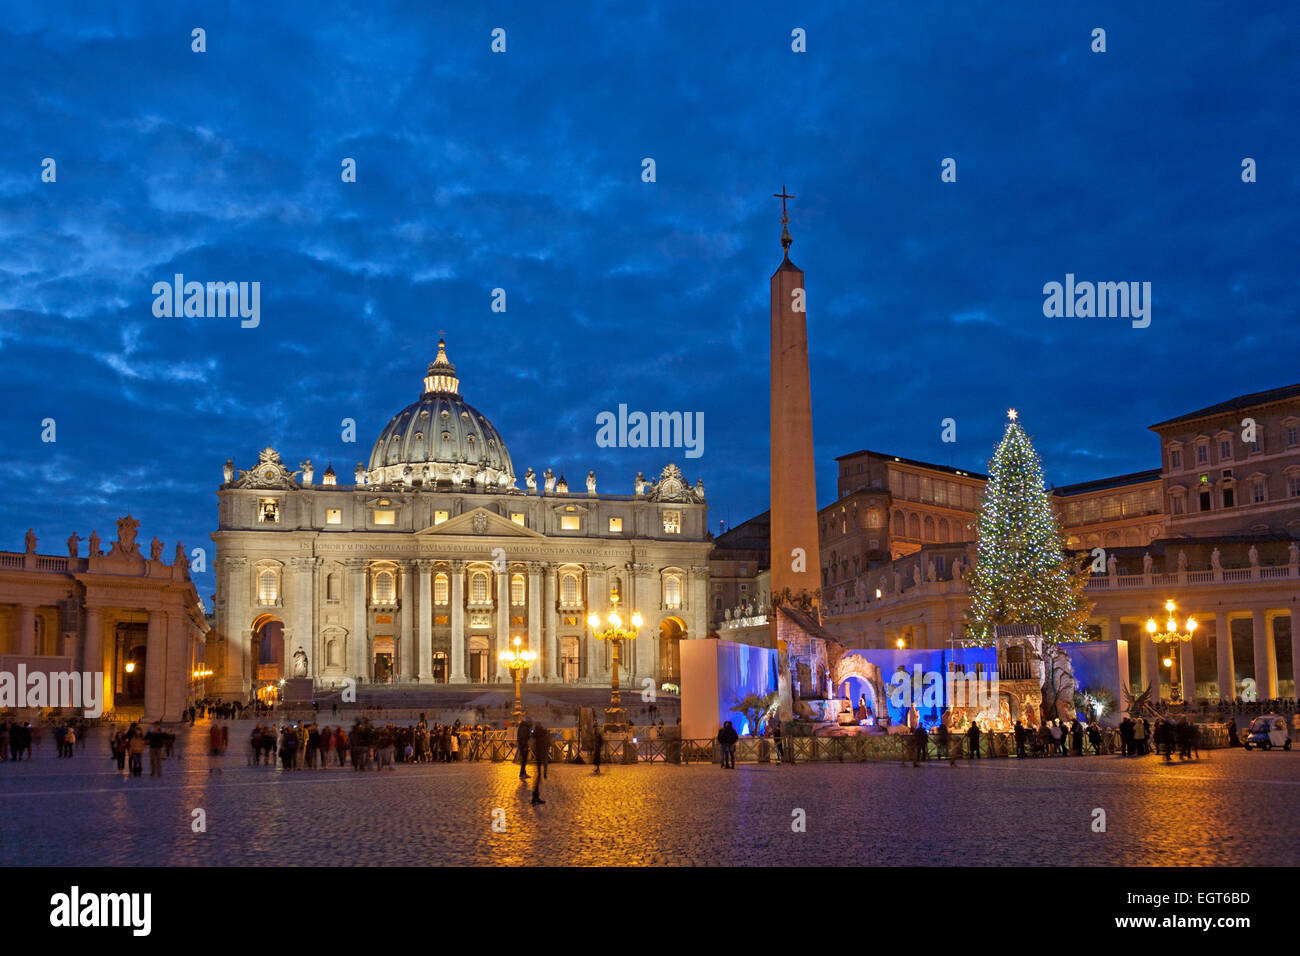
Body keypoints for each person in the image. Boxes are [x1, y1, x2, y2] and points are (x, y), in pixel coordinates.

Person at [531, 722, 549, 805]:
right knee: (538, 777)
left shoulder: (535, 735)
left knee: (538, 777)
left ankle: (535, 796)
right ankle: (535, 797)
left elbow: (532, 745)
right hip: (542, 756)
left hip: (538, 756)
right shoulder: (543, 734)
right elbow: (547, 745)